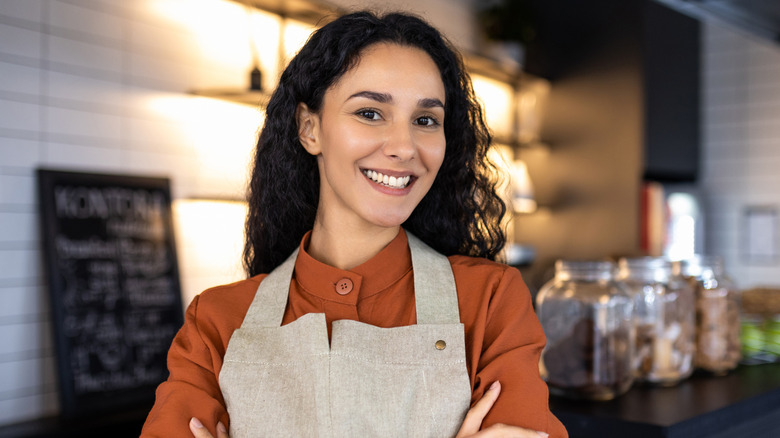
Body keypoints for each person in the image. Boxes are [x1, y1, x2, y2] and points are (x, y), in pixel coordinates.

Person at [141, 10, 567, 438]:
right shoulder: (215, 322)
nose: (404, 147)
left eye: (425, 120)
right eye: (370, 113)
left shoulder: (490, 302)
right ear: (309, 129)